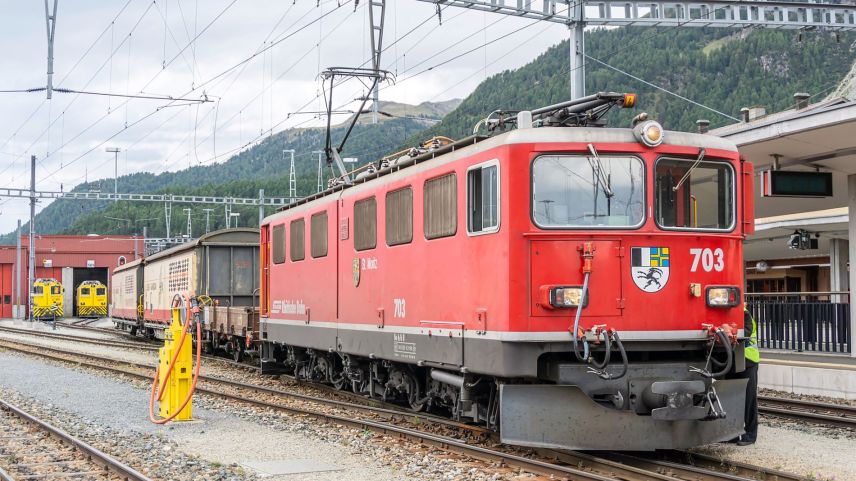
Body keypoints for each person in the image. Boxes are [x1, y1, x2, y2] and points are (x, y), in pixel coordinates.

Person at [730, 308, 759, 446]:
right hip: (732, 361)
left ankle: (750, 435)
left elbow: (745, 333)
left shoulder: (744, 313)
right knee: (732, 398)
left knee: (749, 399)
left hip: (748, 360)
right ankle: (733, 434)